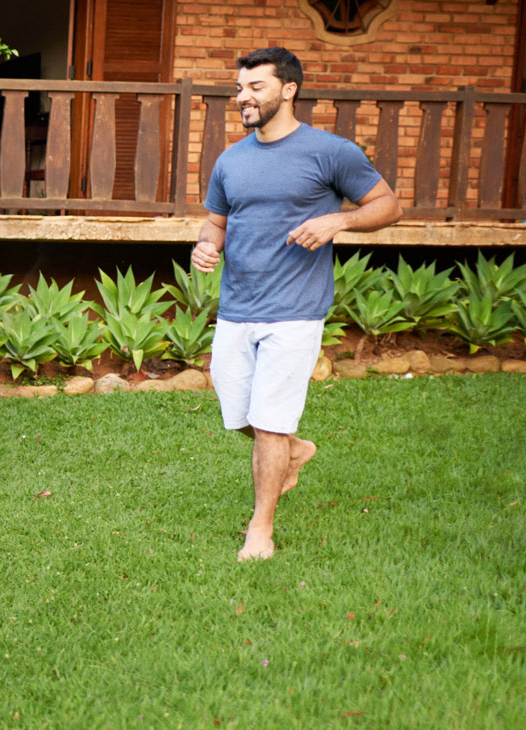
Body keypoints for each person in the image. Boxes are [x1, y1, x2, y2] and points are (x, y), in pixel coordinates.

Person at [193, 47, 401, 561]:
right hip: (237, 305)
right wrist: (206, 246)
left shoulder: (330, 152)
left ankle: (259, 529)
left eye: (255, 87)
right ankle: (295, 449)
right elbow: (216, 222)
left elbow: (388, 205)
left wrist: (338, 220)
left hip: (296, 309)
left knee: (268, 422)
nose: (243, 97)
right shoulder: (230, 160)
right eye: (240, 88)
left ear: (288, 90)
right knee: (236, 409)